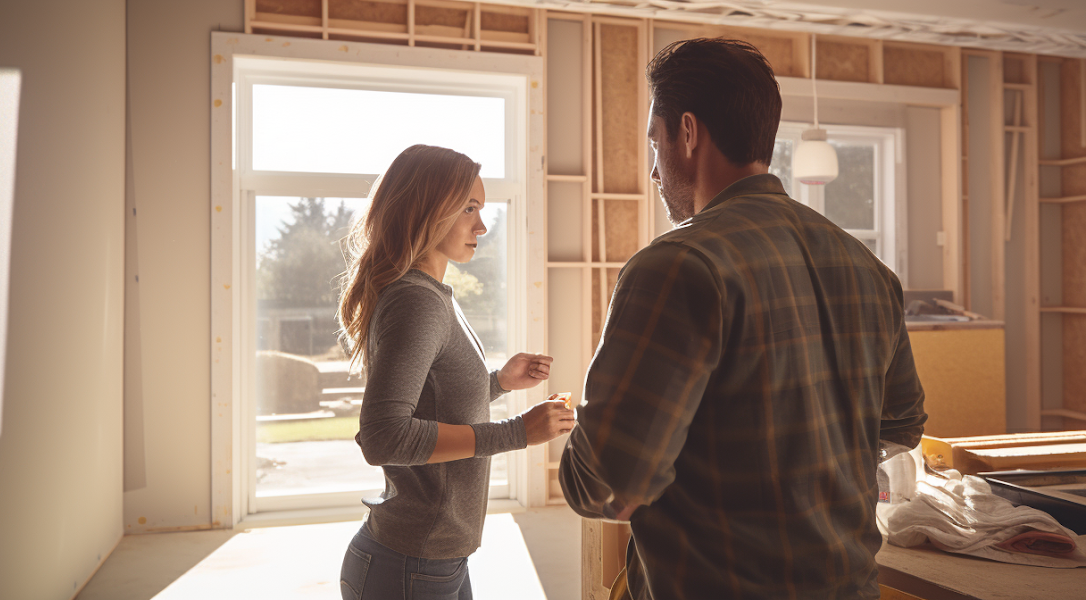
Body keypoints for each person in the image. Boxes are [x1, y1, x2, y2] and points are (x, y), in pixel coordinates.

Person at [559, 39, 927, 600]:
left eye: (655, 144)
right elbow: (900, 426)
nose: (655, 172)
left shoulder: (676, 265)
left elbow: (607, 485)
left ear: (687, 132)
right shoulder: (867, 267)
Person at [336, 144, 577, 600]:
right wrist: (515, 433)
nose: (481, 226)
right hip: (410, 567)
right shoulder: (417, 300)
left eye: (481, 209)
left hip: (430, 559)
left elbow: (433, 398)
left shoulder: (431, 294)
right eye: (469, 208)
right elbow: (384, 435)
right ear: (424, 208)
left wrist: (499, 382)